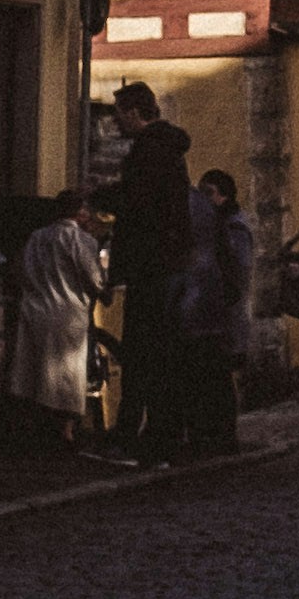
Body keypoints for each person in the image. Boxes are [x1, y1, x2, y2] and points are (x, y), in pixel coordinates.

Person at [104, 86, 193, 465]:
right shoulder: (168, 148)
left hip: (150, 264)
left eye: (119, 114)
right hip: (168, 264)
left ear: (136, 112)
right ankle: (157, 437)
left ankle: (135, 439)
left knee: (142, 355)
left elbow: (138, 203)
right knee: (159, 355)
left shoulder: (149, 150)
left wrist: (101, 199)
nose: (115, 122)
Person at [6, 189, 111, 453]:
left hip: (35, 308)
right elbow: (94, 278)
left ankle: (33, 429)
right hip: (67, 312)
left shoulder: (36, 237)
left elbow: (20, 270)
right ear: (80, 212)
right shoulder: (79, 240)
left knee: (35, 371)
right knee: (66, 376)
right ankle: (64, 433)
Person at [176, 168, 261, 457]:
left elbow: (236, 273)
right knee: (207, 377)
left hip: (224, 315)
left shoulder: (233, 228)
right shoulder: (214, 225)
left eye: (209, 192)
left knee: (218, 378)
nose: (204, 199)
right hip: (210, 314)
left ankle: (222, 436)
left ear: (224, 196)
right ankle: (209, 435)